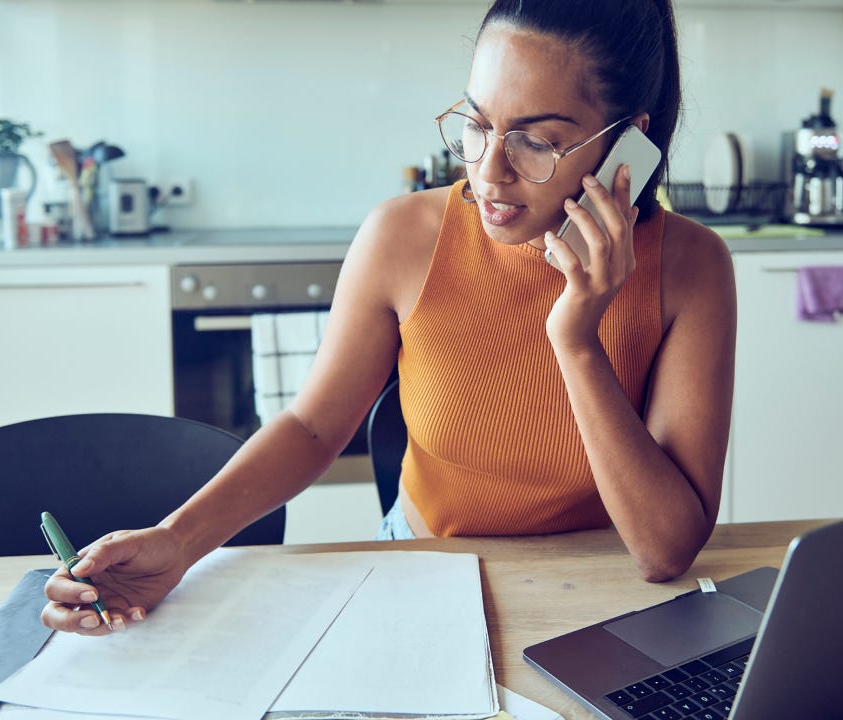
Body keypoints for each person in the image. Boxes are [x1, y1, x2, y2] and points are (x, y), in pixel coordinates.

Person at [42, 0, 736, 636]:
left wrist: (577, 341)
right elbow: (313, 428)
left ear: (628, 145)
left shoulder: (691, 269)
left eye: (536, 140)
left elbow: (663, 551)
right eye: (476, 123)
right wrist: (178, 541)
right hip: (422, 570)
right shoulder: (401, 237)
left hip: (602, 584)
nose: (489, 170)